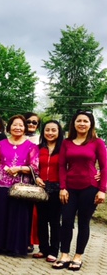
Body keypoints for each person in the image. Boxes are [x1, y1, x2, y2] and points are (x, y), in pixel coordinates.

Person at [54, 111, 107, 270]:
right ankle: (64, 254)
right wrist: (63, 187)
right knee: (67, 221)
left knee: (84, 223)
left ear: (90, 124)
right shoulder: (66, 143)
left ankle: (78, 256)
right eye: (79, 121)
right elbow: (62, 166)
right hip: (69, 188)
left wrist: (102, 190)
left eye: (85, 121)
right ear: (74, 123)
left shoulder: (97, 142)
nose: (82, 123)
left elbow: (104, 167)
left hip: (90, 188)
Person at [0, 115, 39, 257]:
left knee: (18, 218)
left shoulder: (32, 146)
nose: (17, 128)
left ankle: (16, 248)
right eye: (14, 125)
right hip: (0, 186)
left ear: (25, 128)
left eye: (20, 125)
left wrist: (19, 168)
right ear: (9, 127)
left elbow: (35, 167)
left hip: (21, 189)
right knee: (0, 216)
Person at [33, 120, 63, 263]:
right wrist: (37, 177)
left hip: (58, 188)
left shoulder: (64, 149)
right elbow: (33, 167)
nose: (50, 133)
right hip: (41, 188)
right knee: (41, 220)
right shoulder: (38, 148)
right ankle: (43, 248)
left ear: (59, 132)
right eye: (47, 130)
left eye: (53, 130)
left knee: (55, 221)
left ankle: (54, 250)